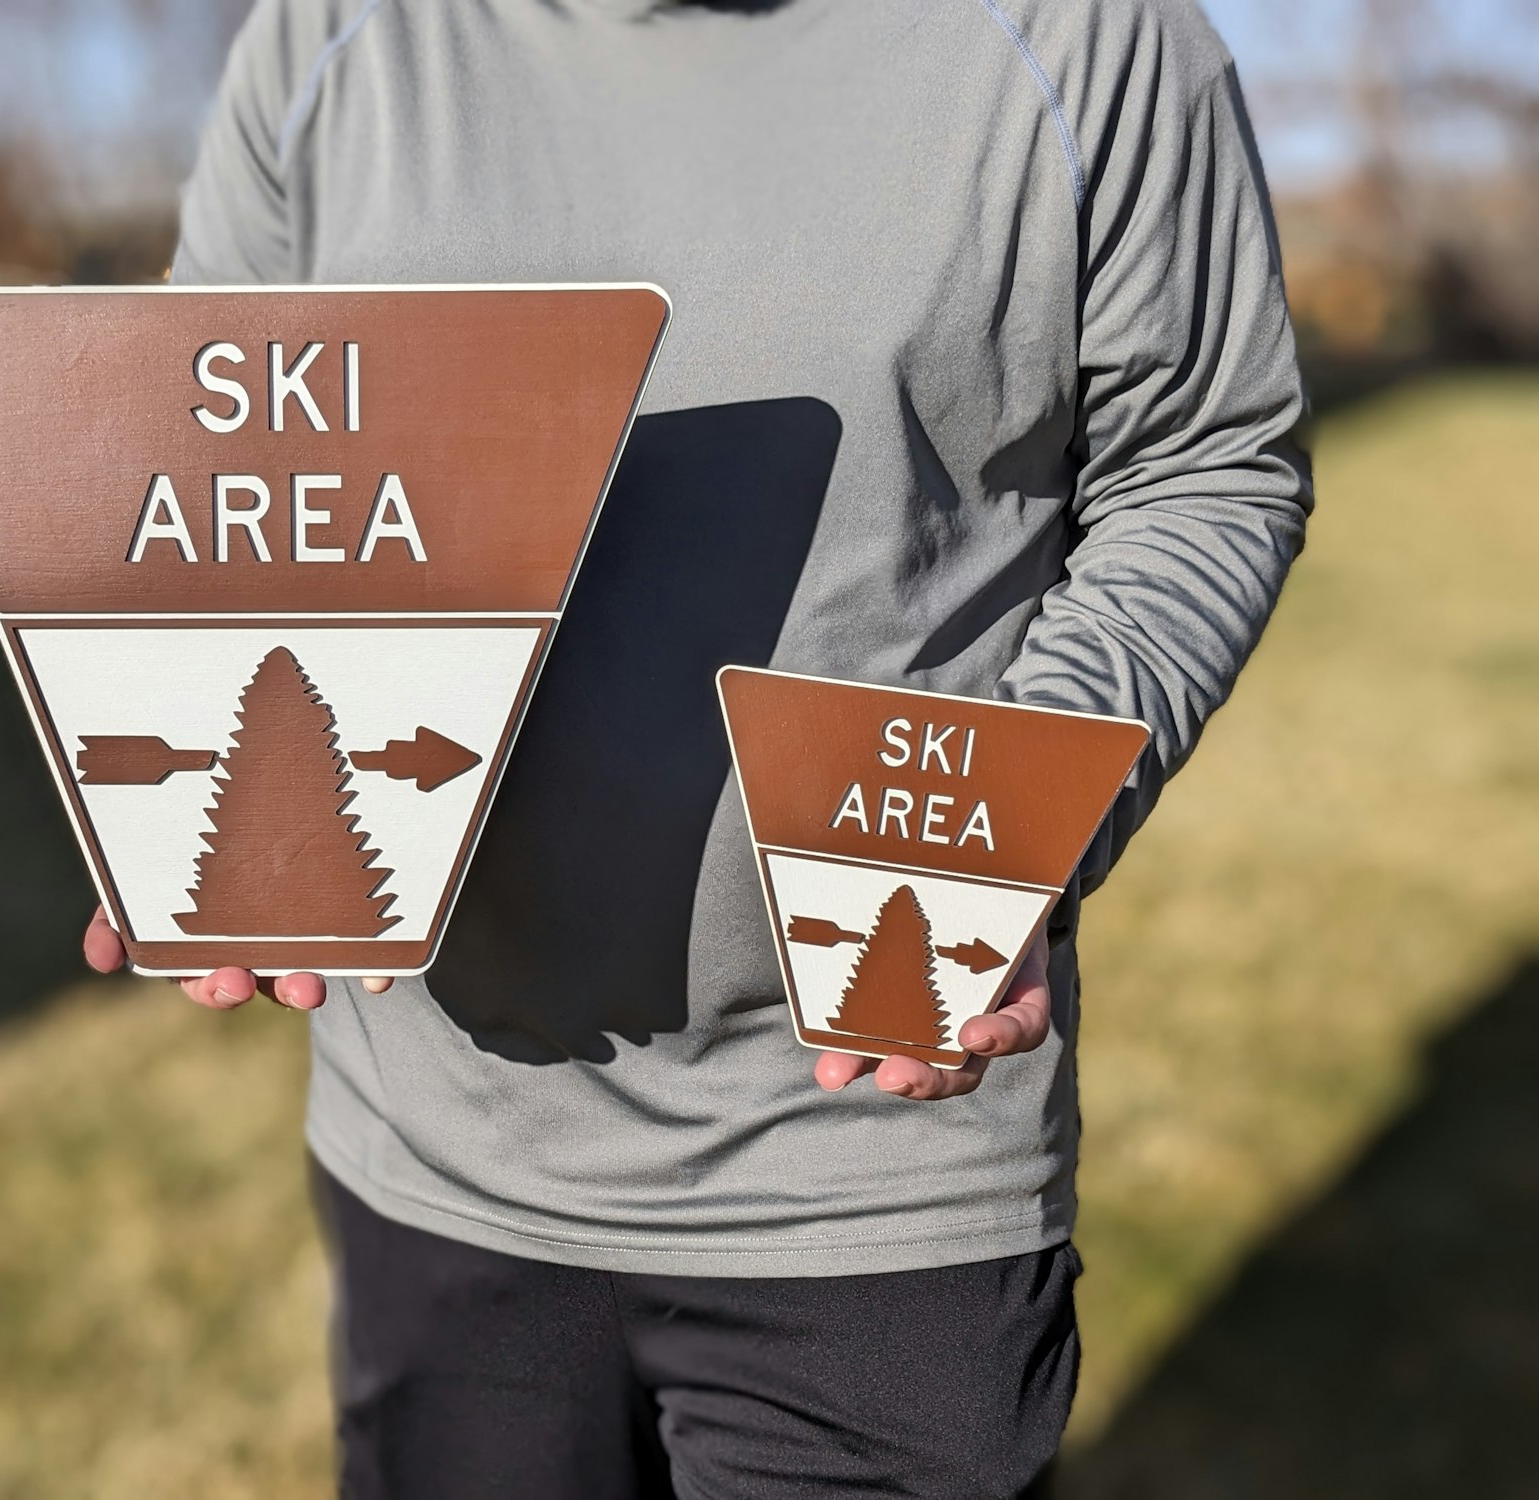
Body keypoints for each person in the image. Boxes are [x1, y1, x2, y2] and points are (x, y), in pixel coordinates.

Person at [83, 1, 1313, 1494]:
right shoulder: (331, 31)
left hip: (874, 1165)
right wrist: (186, 745)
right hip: (443, 1152)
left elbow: (1206, 464)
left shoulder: (1095, 38)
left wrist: (1027, 819)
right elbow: (235, 437)